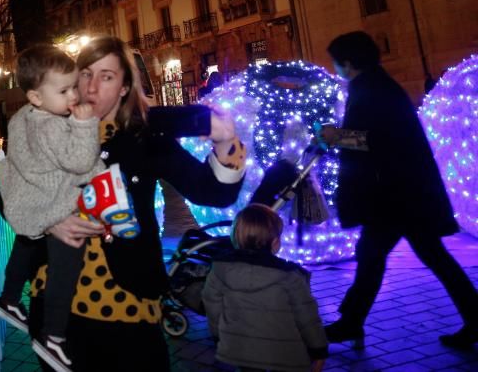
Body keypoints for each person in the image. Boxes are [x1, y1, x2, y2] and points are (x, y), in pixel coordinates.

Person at [27, 36, 246, 371]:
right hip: (58, 310)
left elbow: (214, 193)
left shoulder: (145, 138)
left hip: (128, 300)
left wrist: (226, 142)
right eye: (86, 73)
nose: (93, 86)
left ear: (125, 87)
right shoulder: (50, 129)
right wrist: (49, 218)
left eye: (107, 76)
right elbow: (9, 196)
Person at [317, 31, 478, 349]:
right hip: (403, 192)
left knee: (376, 256)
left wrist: (333, 136)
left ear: (348, 62)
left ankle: (351, 322)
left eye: (336, 61)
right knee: (416, 256)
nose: (335, 67)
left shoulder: (372, 90)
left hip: (394, 194)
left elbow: (372, 140)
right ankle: (352, 321)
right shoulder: (376, 86)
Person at [0, 45, 104, 369]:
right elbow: (80, 160)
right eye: (64, 90)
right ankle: (53, 337)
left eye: (74, 87)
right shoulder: (53, 125)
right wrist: (85, 126)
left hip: (30, 199)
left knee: (27, 241)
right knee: (66, 266)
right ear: (36, 97)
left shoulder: (23, 118)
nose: (73, 96)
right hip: (55, 203)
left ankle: (10, 297)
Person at [203, 204, 328, 372]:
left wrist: (219, 336)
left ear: (236, 237)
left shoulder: (220, 268)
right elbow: (307, 316)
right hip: (284, 352)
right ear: (275, 243)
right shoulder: (290, 275)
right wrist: (318, 350)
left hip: (241, 349)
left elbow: (212, 305)